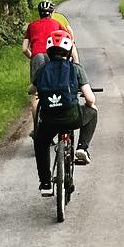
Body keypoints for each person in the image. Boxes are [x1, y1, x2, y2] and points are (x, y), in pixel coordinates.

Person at [31, 33, 98, 195]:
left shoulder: (42, 70)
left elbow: (31, 90)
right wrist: (83, 96)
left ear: (49, 51)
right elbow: (90, 99)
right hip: (72, 117)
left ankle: (46, 182)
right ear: (69, 51)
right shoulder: (76, 69)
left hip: (49, 121)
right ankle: (82, 148)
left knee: (41, 144)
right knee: (93, 111)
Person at [23, 0, 78, 114]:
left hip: (36, 56)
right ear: (52, 12)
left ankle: (37, 126)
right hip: (52, 55)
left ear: (39, 12)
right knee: (54, 85)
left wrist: (33, 56)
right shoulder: (56, 23)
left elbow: (24, 48)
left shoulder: (31, 25)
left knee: (35, 93)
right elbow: (68, 40)